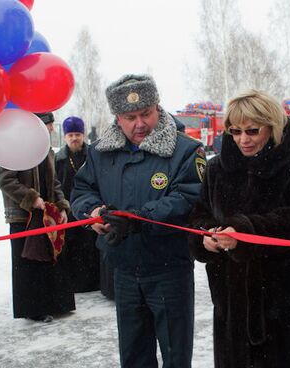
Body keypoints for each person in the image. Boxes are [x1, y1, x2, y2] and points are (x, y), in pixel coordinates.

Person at [70, 74, 203, 368]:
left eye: (146, 113)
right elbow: (81, 191)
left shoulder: (186, 150)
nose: (139, 124)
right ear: (117, 117)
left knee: (175, 355)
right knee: (133, 356)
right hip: (124, 270)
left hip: (169, 270)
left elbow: (186, 199)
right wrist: (91, 212)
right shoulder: (101, 152)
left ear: (158, 107)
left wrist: (137, 220)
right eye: (130, 117)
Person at [188, 89, 290, 368]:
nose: (243, 140)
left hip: (281, 293)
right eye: (235, 131)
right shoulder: (216, 170)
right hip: (231, 294)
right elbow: (200, 214)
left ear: (271, 127)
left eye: (252, 131)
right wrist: (206, 236)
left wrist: (244, 233)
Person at [0, 112, 75, 323]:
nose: (51, 129)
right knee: (27, 264)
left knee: (51, 258)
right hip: (23, 217)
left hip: (48, 216)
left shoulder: (47, 150)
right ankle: (33, 308)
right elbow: (5, 180)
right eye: (48, 125)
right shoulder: (13, 149)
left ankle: (57, 303)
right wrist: (32, 199)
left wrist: (61, 206)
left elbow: (55, 182)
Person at [54, 116, 101, 293]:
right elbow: (55, 184)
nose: (74, 138)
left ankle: (95, 283)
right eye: (71, 135)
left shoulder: (94, 156)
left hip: (91, 207)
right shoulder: (59, 159)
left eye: (78, 134)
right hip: (69, 209)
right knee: (72, 247)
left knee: (91, 246)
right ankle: (76, 283)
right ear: (65, 137)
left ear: (83, 135)